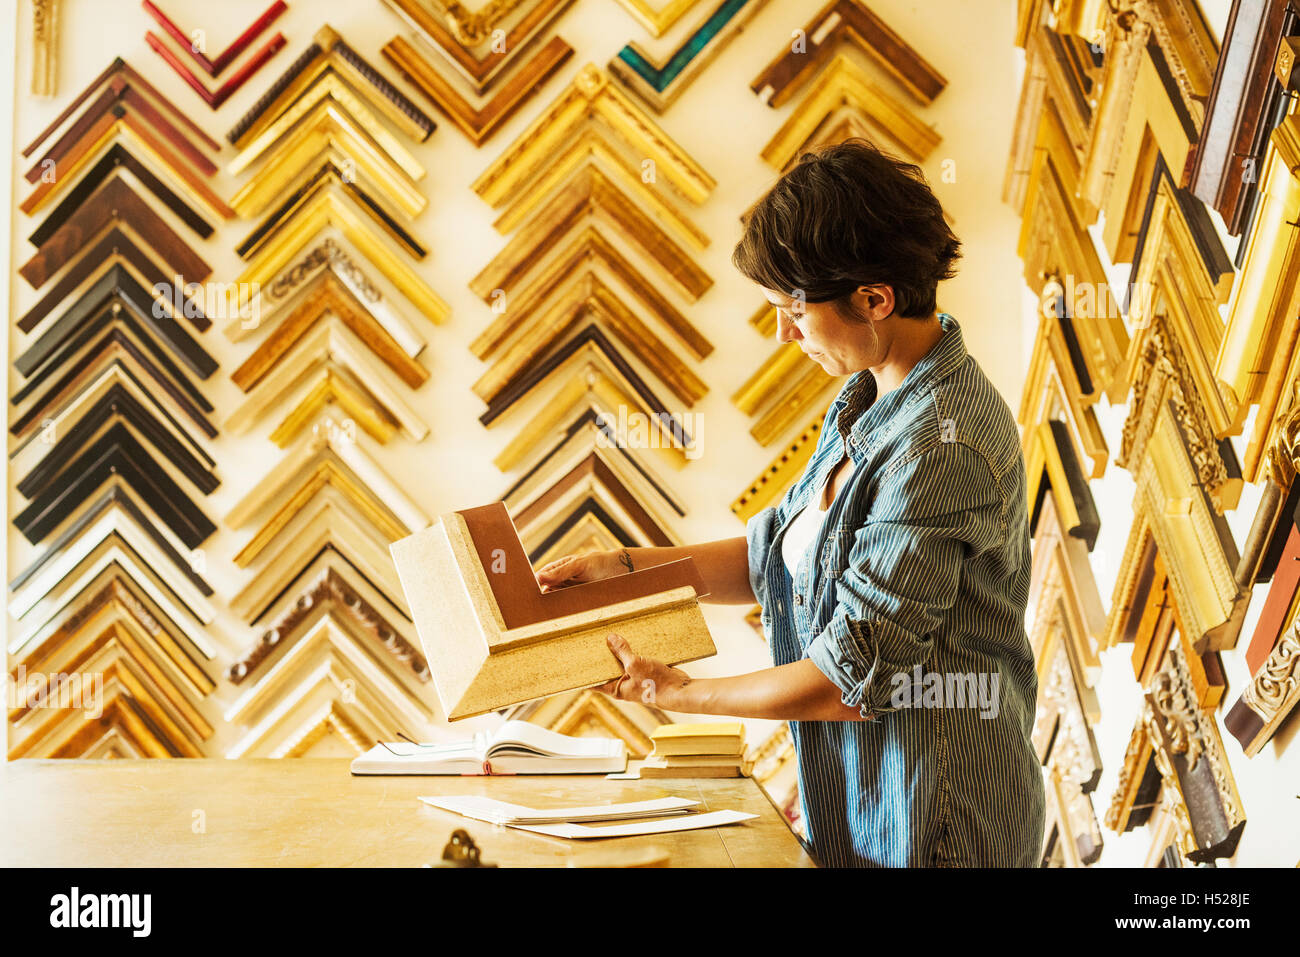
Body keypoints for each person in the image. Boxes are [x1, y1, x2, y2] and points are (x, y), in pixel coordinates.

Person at [534, 138, 1045, 868]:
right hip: (863, 798)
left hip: (936, 817)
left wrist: (679, 693)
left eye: (792, 312)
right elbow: (775, 552)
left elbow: (850, 675)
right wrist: (623, 570)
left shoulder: (942, 445)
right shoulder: (867, 394)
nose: (782, 332)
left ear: (874, 298)